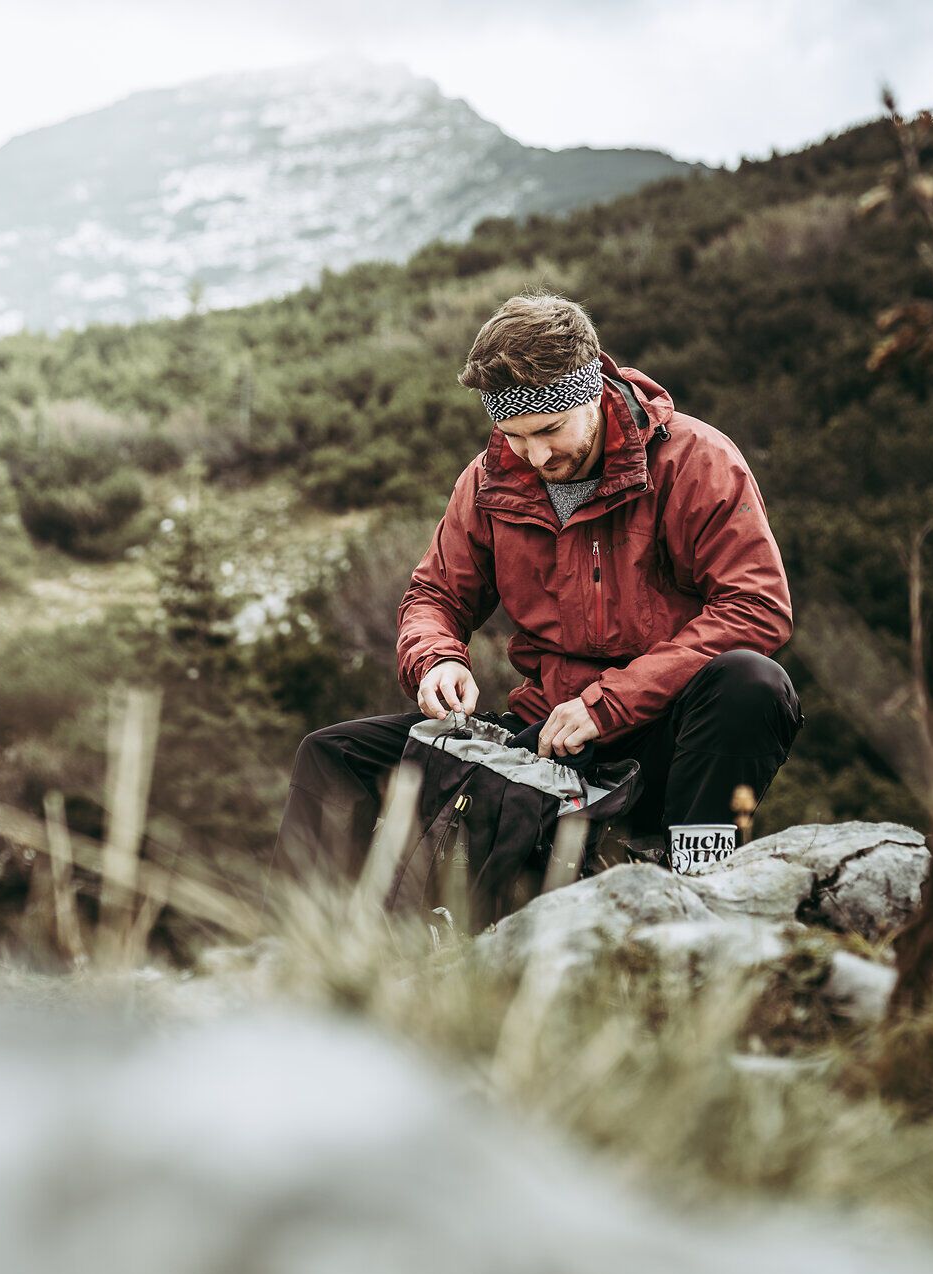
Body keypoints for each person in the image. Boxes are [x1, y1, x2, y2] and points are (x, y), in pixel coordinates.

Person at [273, 292, 804, 882]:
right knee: (333, 756)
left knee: (752, 684)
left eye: (550, 430)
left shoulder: (695, 461)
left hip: (668, 736)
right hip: (544, 736)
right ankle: (301, 954)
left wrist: (610, 705)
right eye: (515, 435)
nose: (536, 456)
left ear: (592, 392)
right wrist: (436, 661)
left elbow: (756, 607)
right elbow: (435, 597)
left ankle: (698, 882)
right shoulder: (488, 481)